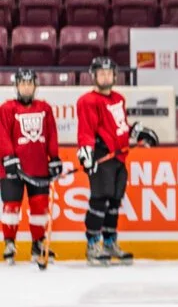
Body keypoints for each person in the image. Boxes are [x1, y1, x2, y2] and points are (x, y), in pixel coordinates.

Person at [76, 57, 159, 266]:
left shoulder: (118, 99)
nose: (105, 77)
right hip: (102, 156)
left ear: (114, 75)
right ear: (94, 76)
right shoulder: (88, 101)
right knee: (99, 200)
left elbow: (119, 126)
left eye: (109, 73)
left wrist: (138, 132)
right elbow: (86, 131)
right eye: (101, 73)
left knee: (114, 202)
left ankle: (109, 242)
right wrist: (86, 153)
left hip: (119, 158)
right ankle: (92, 245)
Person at [0, 69, 60, 264]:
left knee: (40, 206)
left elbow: (51, 134)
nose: (26, 87)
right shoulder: (6, 108)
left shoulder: (45, 108)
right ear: (16, 86)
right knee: (11, 206)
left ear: (35, 86)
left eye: (29, 83)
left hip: (39, 166)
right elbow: (2, 134)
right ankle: (9, 243)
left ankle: (38, 244)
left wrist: (54, 157)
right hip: (13, 168)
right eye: (23, 83)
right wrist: (8, 156)